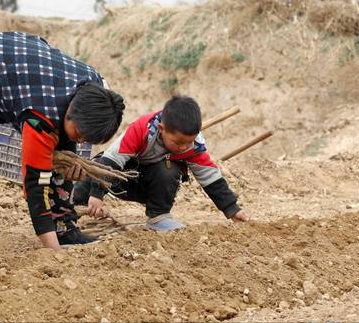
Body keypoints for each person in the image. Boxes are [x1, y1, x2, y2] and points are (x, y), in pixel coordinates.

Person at [0, 32, 125, 250]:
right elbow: (35, 184)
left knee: (64, 158)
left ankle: (64, 228)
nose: (81, 141)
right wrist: (52, 251)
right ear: (70, 112)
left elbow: (65, 144)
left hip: (25, 68)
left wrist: (68, 162)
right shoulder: (41, 114)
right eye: (80, 135)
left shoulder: (98, 90)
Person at [73, 95, 249, 230]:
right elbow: (111, 161)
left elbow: (210, 177)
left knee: (169, 169)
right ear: (162, 129)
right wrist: (96, 195)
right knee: (93, 170)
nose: (184, 147)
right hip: (120, 178)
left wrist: (232, 209)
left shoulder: (193, 146)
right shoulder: (141, 129)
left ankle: (158, 217)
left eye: (189, 142)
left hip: (152, 186)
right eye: (178, 142)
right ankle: (69, 213)